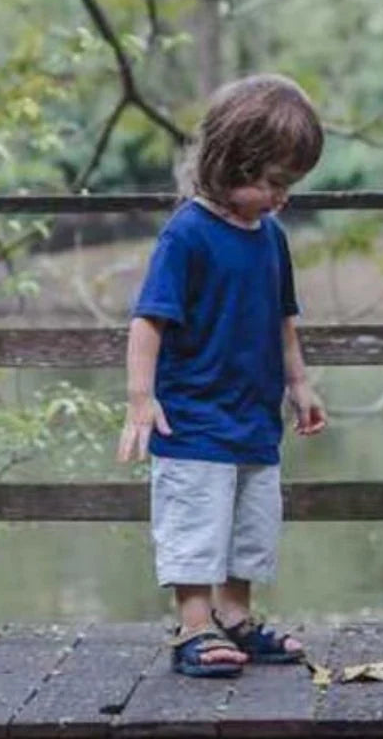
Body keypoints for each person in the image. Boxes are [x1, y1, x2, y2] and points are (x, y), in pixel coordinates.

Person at [116, 74, 328, 678]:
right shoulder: (187, 233)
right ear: (231, 163)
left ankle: (236, 617)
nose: (282, 198)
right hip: (194, 417)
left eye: (290, 185)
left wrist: (300, 385)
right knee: (195, 522)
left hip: (253, 417)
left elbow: (285, 320)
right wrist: (140, 400)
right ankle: (195, 624)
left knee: (251, 524)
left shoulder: (272, 237)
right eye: (273, 183)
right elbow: (148, 322)